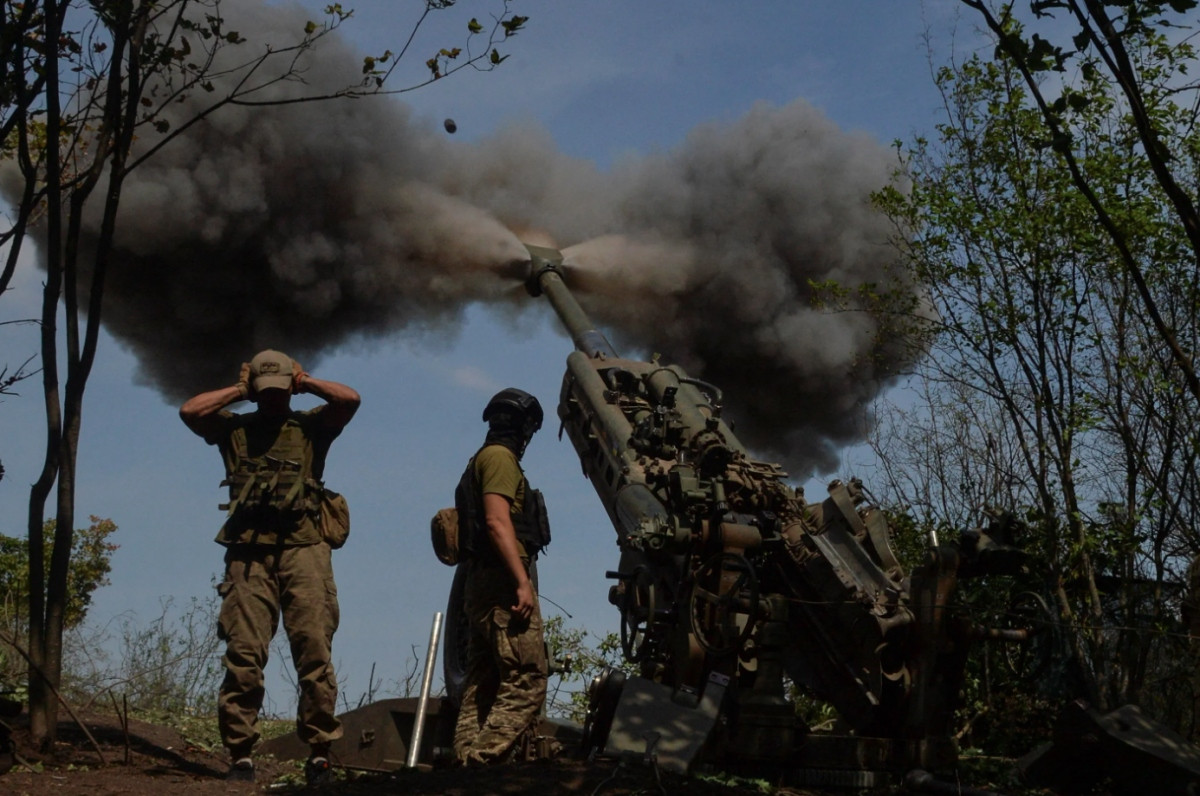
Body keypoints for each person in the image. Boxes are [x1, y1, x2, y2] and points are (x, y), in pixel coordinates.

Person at [179, 349, 360, 784]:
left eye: (281, 390)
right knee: (243, 653)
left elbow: (350, 400)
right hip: (248, 552)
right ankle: (240, 753)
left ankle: (319, 752)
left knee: (314, 650)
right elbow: (189, 411)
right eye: (267, 391)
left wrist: (308, 381)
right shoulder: (234, 430)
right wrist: (242, 389)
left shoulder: (312, 425)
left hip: (305, 548)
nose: (274, 399)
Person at [452, 388, 551, 766]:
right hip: (501, 582)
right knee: (528, 674)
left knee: (484, 678)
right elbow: (496, 521)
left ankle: (466, 760)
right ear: (523, 426)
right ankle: (484, 757)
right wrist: (521, 581)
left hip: (480, 581)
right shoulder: (499, 459)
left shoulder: (481, 457)